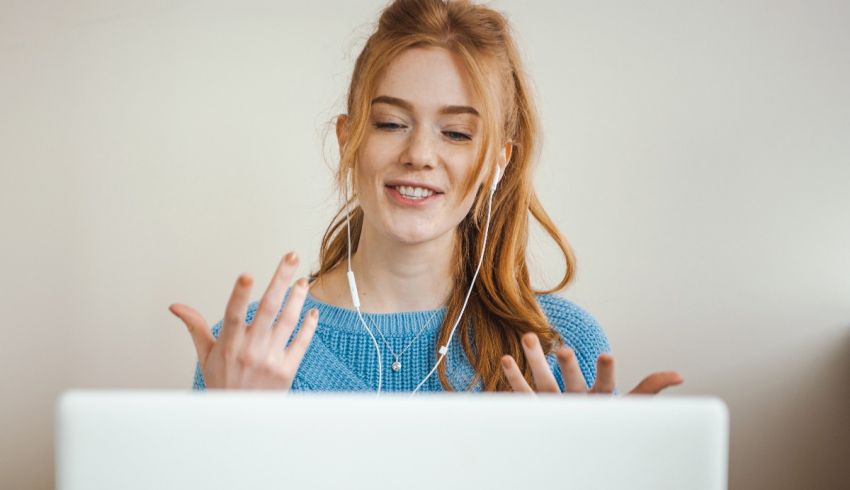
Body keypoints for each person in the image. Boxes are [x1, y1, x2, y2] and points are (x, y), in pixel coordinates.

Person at [168, 0, 683, 395]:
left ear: (498, 160)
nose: (419, 154)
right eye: (391, 123)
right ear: (348, 138)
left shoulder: (562, 349)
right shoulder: (249, 351)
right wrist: (233, 433)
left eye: (456, 133)